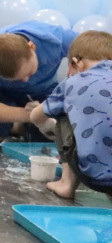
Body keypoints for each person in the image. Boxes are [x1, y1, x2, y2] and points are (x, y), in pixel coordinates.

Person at [29, 30, 112, 199]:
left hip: (96, 178)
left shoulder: (73, 82)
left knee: (62, 112)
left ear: (76, 63)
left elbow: (35, 116)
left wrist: (47, 125)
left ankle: (66, 183)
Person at [0, 20, 76, 147]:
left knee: (57, 136)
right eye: (18, 78)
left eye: (30, 72)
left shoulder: (54, 39)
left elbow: (95, 50)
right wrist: (28, 115)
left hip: (43, 90)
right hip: (4, 94)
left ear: (32, 47)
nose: (26, 80)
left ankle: (18, 127)